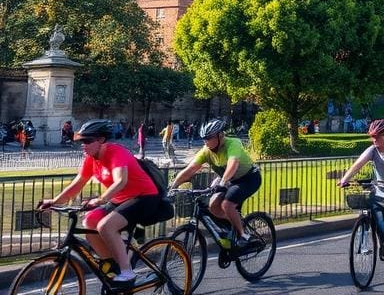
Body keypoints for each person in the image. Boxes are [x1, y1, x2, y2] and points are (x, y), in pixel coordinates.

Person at [39, 119, 162, 288]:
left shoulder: (116, 153)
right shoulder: (90, 159)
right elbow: (77, 184)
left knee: (106, 226)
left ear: (101, 140)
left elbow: (121, 181)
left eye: (88, 141)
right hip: (120, 200)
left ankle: (127, 273)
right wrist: (53, 201)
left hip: (145, 197)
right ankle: (112, 263)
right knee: (89, 220)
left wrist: (101, 199)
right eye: (82, 141)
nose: (83, 145)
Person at [170, 119, 262, 252]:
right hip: (230, 180)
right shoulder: (206, 151)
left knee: (227, 204)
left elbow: (233, 164)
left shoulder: (233, 143)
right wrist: (173, 187)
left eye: (208, 138)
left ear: (219, 136)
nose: (205, 142)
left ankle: (244, 235)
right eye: (204, 139)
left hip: (249, 178)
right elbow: (190, 170)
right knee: (213, 205)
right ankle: (233, 226)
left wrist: (223, 182)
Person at [338, 120, 384, 245]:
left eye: (377, 137)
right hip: (381, 184)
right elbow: (357, 165)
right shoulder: (372, 150)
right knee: (372, 203)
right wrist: (344, 179)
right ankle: (383, 233)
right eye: (372, 137)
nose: (374, 140)